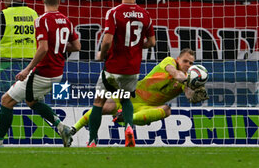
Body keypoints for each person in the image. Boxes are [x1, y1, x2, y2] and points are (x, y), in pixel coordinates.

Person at [0, 0, 81, 147]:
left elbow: (43, 48)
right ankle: (62, 127)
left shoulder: (41, 20)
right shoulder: (66, 20)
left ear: (43, 0)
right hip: (57, 73)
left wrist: (27, 69)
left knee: (6, 100)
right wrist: (59, 46)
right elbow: (77, 46)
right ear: (59, 1)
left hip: (42, 72)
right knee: (31, 101)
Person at [71, 49, 209, 143]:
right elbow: (175, 73)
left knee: (167, 110)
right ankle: (72, 130)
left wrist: (195, 91)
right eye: (185, 61)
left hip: (147, 108)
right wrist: (188, 81)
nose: (188, 65)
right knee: (104, 107)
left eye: (191, 63)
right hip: (131, 96)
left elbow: (189, 94)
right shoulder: (169, 62)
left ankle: (126, 118)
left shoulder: (186, 80)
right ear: (178, 58)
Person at [86, 0, 156, 148]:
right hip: (132, 68)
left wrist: (101, 55)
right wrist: (139, 46)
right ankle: (129, 129)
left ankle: (93, 140)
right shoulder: (145, 14)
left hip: (113, 66)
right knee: (125, 100)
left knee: (98, 101)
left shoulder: (114, 12)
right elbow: (152, 42)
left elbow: (108, 40)